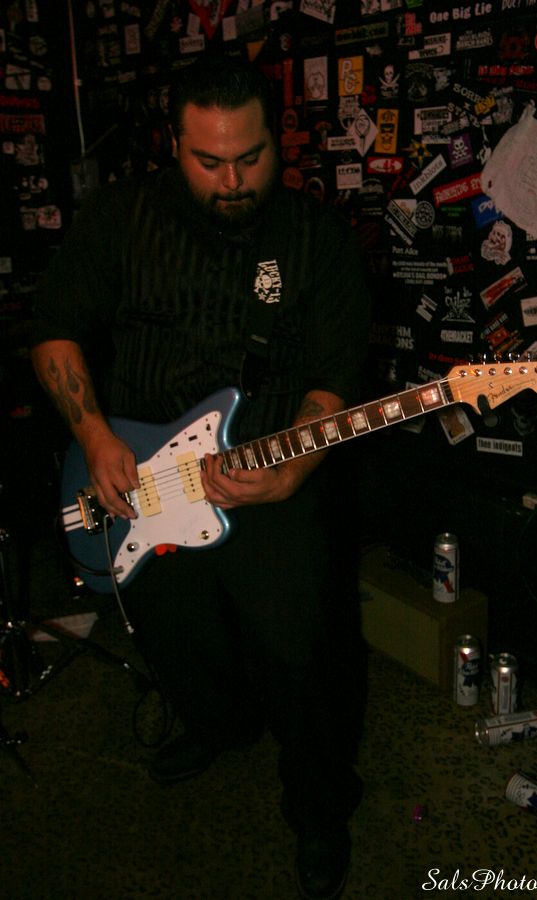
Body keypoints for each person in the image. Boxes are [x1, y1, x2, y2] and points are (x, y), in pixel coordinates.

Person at [30, 53, 370, 900]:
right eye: (209, 161)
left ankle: (319, 805)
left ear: (276, 139)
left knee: (302, 658)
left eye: (250, 158)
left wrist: (296, 466)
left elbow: (333, 379)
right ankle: (221, 724)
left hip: (269, 470)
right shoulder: (120, 219)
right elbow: (57, 331)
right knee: (177, 643)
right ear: (172, 144)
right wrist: (93, 434)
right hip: (139, 479)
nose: (233, 181)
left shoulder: (317, 240)